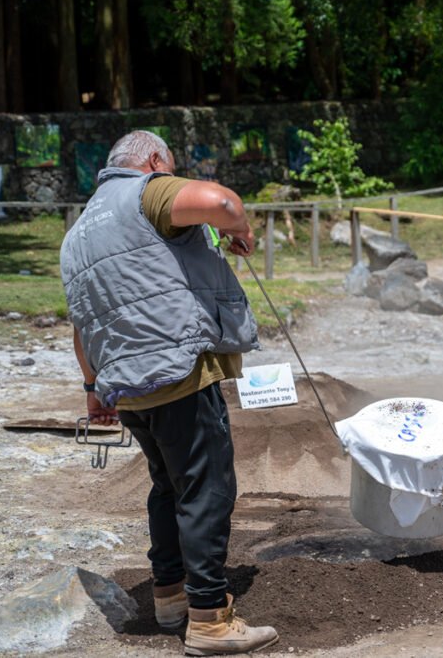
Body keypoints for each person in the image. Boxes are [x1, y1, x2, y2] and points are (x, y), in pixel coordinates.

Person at [59, 131, 279, 656]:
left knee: (168, 487)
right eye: (168, 168)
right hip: (177, 370)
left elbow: (81, 324)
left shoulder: (78, 233)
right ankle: (210, 619)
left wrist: (93, 390)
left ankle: (170, 598)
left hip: (126, 386)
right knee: (206, 489)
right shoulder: (146, 192)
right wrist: (240, 229)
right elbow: (221, 202)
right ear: (155, 162)